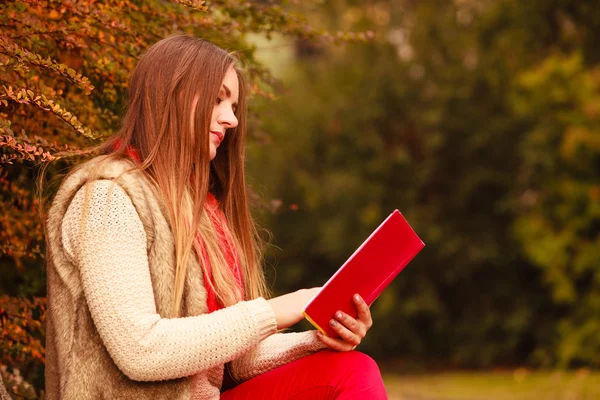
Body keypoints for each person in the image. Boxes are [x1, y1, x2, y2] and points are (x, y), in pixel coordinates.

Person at [44, 35, 388, 399]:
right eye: (216, 99)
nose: (232, 119)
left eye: (234, 104)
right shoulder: (108, 198)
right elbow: (141, 351)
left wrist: (317, 339)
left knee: (351, 370)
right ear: (171, 96)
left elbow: (232, 362)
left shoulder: (202, 212)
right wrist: (277, 310)